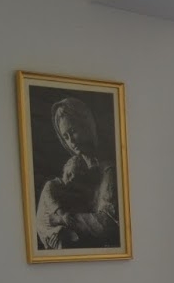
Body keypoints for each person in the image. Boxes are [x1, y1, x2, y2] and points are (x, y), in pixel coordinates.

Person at [33, 95, 120, 250]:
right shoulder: (71, 170)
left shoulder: (108, 170)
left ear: (86, 125)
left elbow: (106, 224)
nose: (71, 141)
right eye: (65, 136)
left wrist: (59, 219)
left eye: (73, 131)